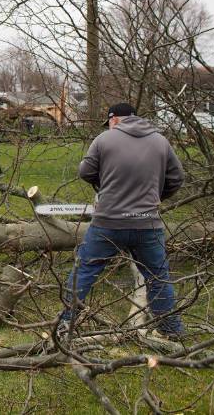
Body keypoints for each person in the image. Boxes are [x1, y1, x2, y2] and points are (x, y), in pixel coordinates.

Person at [58, 102, 185, 340]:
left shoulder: (104, 140)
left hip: (108, 222)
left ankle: (64, 325)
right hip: (147, 222)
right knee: (158, 276)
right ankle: (171, 331)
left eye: (109, 122)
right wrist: (157, 196)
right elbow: (177, 178)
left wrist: (103, 182)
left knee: (84, 270)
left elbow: (85, 171)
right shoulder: (160, 141)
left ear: (114, 119)